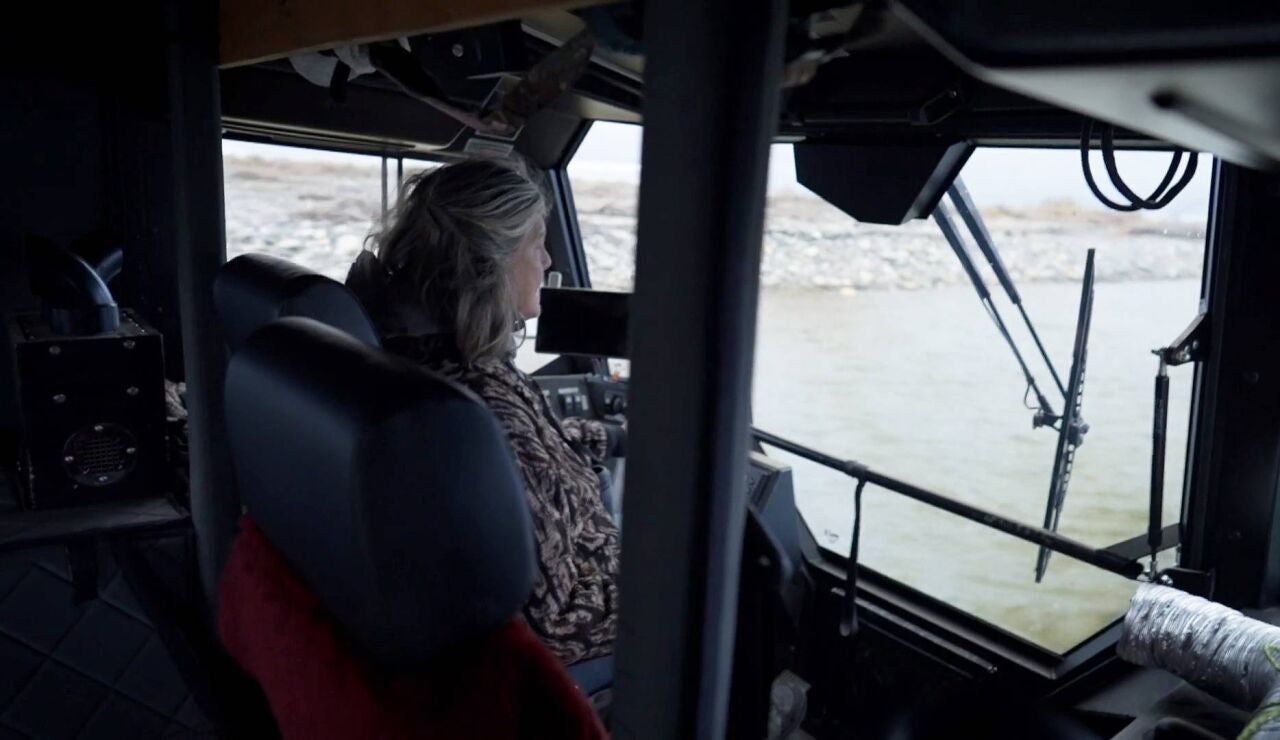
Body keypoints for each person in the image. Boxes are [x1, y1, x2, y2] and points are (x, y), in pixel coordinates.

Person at [345, 157, 622, 666]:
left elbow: (533, 461)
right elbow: (554, 626)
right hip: (589, 653)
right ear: (487, 264)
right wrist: (670, 591)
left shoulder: (435, 359)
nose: (548, 259)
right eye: (536, 243)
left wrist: (605, 436)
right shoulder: (477, 401)